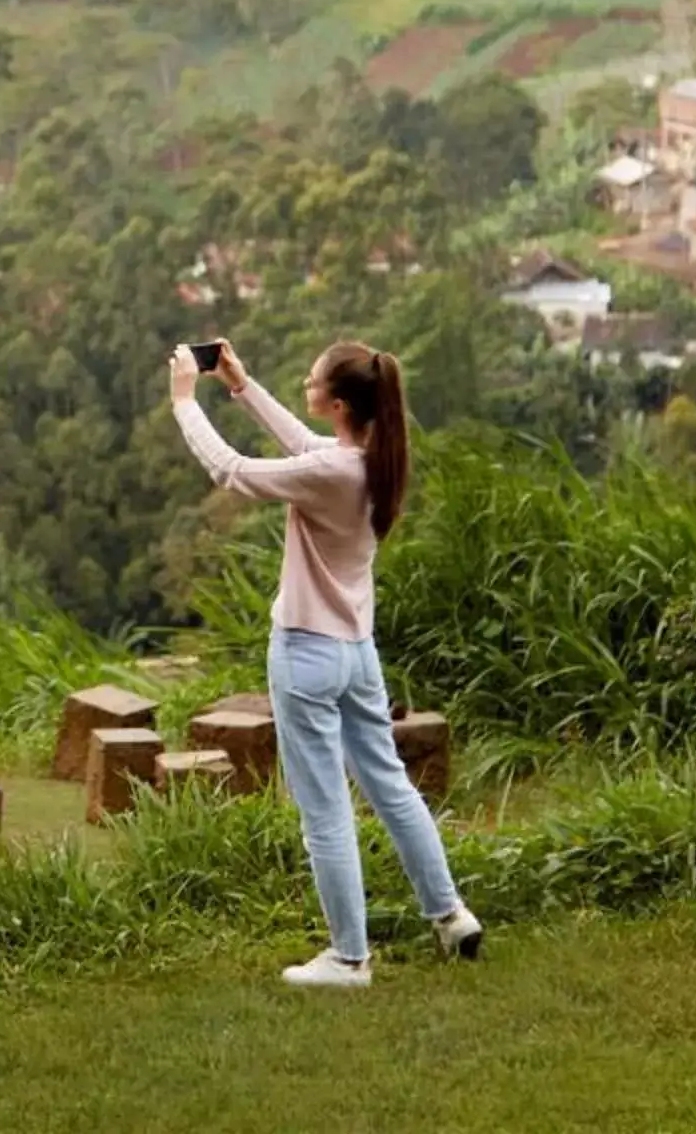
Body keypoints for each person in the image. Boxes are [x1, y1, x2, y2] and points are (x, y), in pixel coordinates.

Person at [168, 338, 481, 989]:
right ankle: (450, 915)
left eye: (312, 382)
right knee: (391, 788)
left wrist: (182, 401)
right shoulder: (374, 460)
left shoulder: (334, 474)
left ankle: (349, 958)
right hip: (356, 653)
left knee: (326, 813)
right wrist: (241, 388)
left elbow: (231, 470)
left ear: (337, 403)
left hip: (307, 653)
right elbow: (306, 448)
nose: (305, 386)